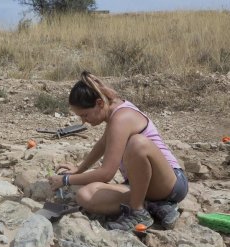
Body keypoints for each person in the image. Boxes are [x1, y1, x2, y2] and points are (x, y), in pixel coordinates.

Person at [49, 71, 188, 231]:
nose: (84, 121)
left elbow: (107, 173)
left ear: (100, 103)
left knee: (138, 144)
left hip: (170, 184)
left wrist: (66, 180)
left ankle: (138, 212)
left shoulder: (121, 118)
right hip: (139, 186)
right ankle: (155, 205)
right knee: (85, 195)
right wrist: (79, 170)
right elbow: (102, 144)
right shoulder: (112, 110)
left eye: (85, 115)